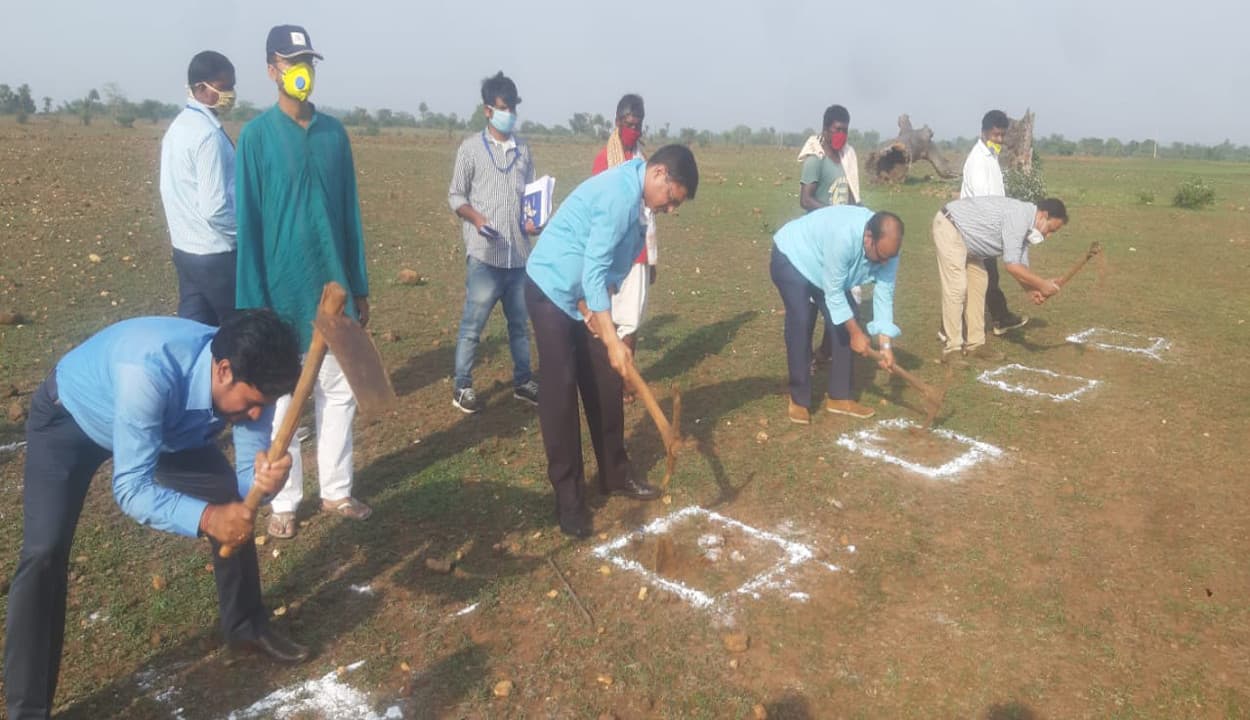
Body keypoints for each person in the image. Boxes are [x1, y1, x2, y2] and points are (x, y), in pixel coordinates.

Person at [4, 310, 306, 720]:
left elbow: (240, 493)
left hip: (168, 430)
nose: (257, 415)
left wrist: (261, 486)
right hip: (72, 420)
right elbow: (131, 488)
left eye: (264, 407)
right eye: (252, 404)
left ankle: (246, 627)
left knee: (225, 502)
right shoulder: (149, 369)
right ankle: (27, 709)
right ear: (223, 371)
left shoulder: (253, 376)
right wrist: (207, 518)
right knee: (43, 552)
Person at [235, 25, 372, 539]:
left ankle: (336, 490)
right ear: (271, 69)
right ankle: (284, 501)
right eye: (291, 62)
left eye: (308, 61)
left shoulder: (335, 135)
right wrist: (251, 305)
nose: (301, 71)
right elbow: (247, 224)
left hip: (332, 289)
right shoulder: (255, 138)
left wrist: (358, 285)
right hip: (279, 294)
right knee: (284, 401)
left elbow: (350, 215)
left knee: (339, 394)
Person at [524, 145, 698, 538]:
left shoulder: (641, 203)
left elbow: (603, 273)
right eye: (672, 200)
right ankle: (568, 500)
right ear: (659, 175)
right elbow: (595, 268)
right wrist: (610, 333)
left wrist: (596, 320)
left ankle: (615, 474)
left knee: (604, 380)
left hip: (581, 293)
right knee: (562, 391)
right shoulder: (620, 197)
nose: (671, 210)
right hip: (550, 288)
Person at [447, 71, 540, 414]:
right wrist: (476, 218)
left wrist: (535, 219)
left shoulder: (525, 149)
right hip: (485, 256)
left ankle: (523, 381)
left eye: (513, 108)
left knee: (519, 325)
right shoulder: (470, 149)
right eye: (503, 108)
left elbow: (530, 194)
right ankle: (462, 385)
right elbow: (456, 195)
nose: (510, 114)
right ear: (488, 110)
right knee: (473, 325)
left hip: (518, 256)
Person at [770, 206, 902, 424]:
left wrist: (885, 346)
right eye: (881, 256)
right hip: (793, 257)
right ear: (868, 238)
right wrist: (855, 333)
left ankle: (840, 397)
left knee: (846, 322)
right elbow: (833, 292)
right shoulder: (844, 236)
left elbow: (884, 295)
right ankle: (799, 399)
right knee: (801, 321)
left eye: (890, 257)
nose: (885, 263)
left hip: (824, 268)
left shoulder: (889, 251)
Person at [933, 196, 1069, 362]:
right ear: (1043, 215)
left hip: (972, 244)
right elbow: (1011, 266)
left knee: (979, 284)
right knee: (957, 288)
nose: (1048, 236)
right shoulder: (1019, 216)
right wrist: (1042, 284)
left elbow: (1020, 265)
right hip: (951, 227)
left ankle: (975, 344)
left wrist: (1031, 289)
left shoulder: (1028, 226)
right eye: (1050, 230)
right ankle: (952, 349)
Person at [158, 50, 239, 326]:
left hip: (184, 250)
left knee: (194, 334)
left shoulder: (178, 128)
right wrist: (243, 235)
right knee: (238, 333)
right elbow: (215, 208)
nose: (230, 93)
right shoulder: (208, 137)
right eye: (224, 86)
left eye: (231, 86)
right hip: (215, 256)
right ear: (200, 88)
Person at [940, 109, 1028, 345]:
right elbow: (981, 201)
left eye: (1002, 135)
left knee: (985, 278)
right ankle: (951, 327)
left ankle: (999, 318)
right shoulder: (978, 160)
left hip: (986, 226)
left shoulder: (991, 156)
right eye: (995, 135)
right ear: (983, 132)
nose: (999, 140)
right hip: (974, 228)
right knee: (971, 281)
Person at [592, 93, 658, 402]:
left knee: (631, 319)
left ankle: (625, 378)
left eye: (638, 125)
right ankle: (613, 378)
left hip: (638, 251)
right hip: (611, 249)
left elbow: (651, 214)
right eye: (628, 124)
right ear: (617, 122)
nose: (633, 130)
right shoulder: (604, 160)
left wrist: (653, 260)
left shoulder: (645, 163)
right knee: (609, 317)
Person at [796, 104, 863, 364]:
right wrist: (833, 215)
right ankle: (806, 358)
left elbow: (853, 195)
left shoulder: (845, 156)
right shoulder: (816, 158)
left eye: (846, 130)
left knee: (840, 295)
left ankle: (827, 351)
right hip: (818, 239)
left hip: (841, 239)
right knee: (814, 301)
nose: (842, 135)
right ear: (826, 129)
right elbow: (805, 199)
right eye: (837, 129)